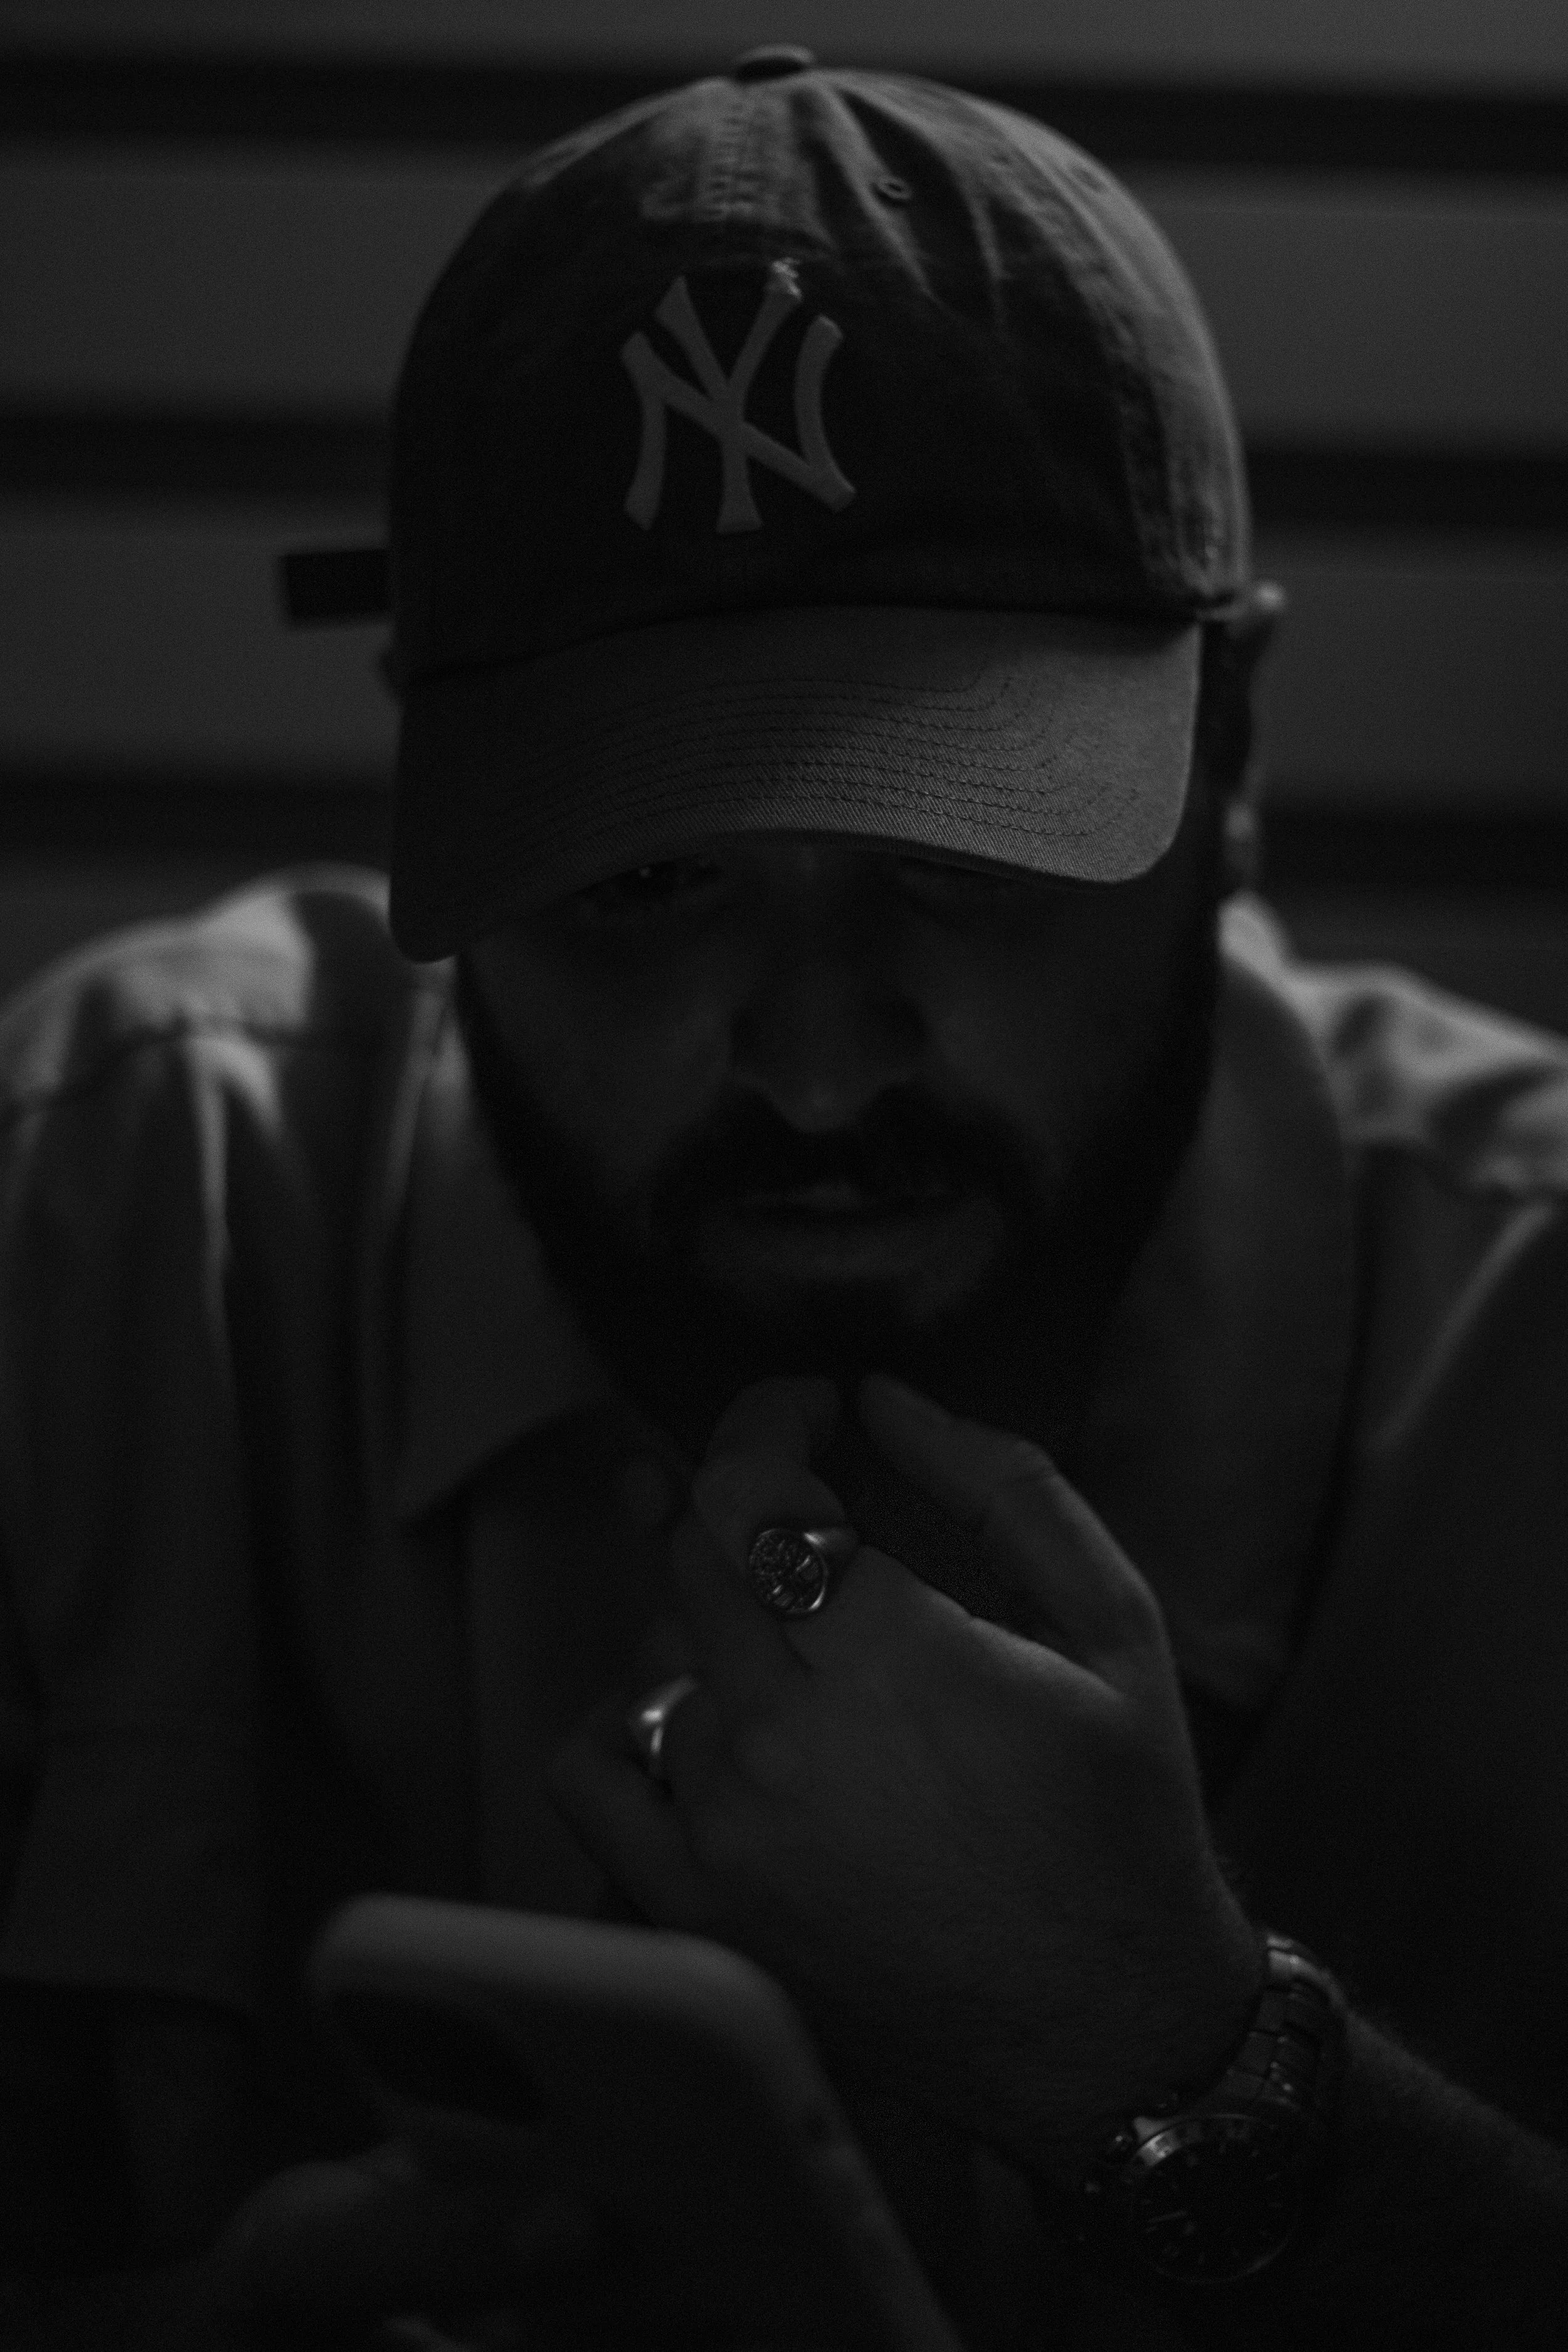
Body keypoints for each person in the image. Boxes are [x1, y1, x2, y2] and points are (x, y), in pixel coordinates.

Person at [2, 43, 1567, 2352]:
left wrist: (1186, 2063)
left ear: (1228, 751)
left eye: (960, 869)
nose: (817, 1061)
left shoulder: (1525, 1338)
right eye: (643, 883)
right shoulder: (129, 1212)